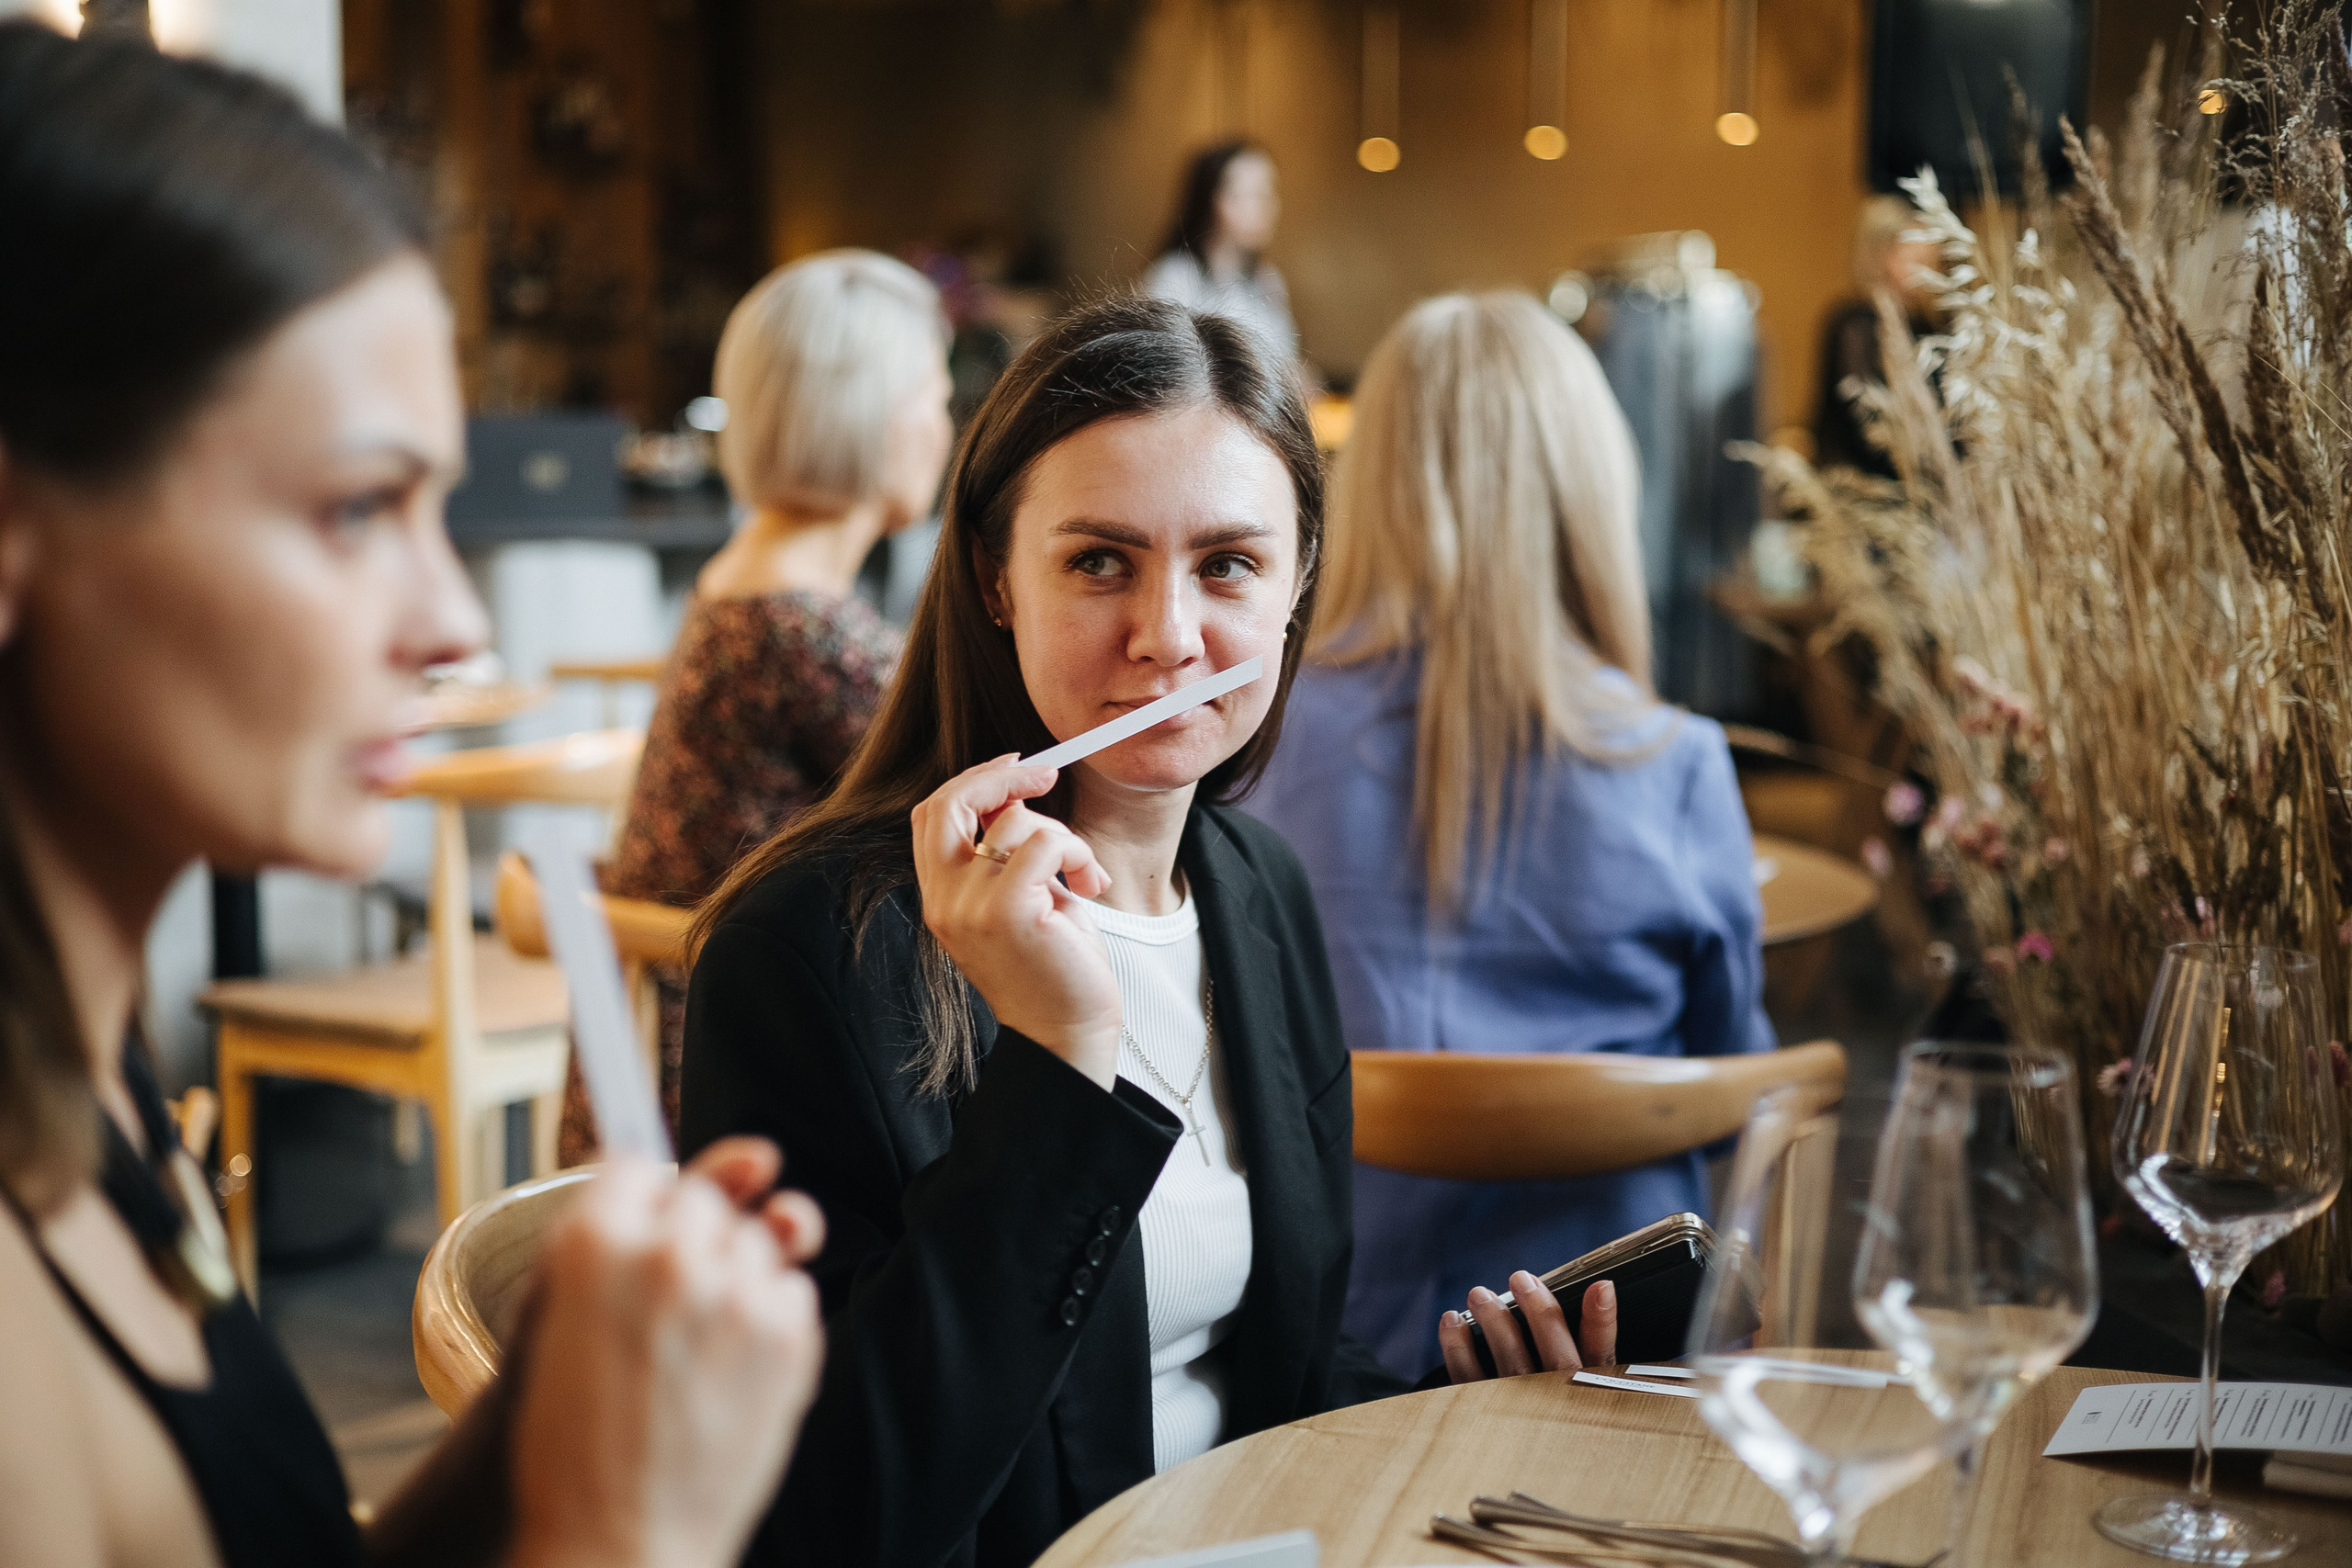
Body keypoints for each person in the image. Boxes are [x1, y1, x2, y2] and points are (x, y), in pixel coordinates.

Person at [0, 23, 826, 1568]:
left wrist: (542, 1431)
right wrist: (617, 1530)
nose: (455, 621)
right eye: (358, 507)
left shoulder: (77, 1063)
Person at [682, 295, 1618, 1568]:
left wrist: (1457, 1399)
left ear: (1296, 591)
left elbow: (1268, 1368)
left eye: (1229, 563)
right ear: (993, 580)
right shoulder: (811, 947)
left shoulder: (1255, 890)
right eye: (1100, 560)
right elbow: (836, 1515)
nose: (1169, 635)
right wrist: (1060, 1051)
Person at [1247, 291, 1774, 1379]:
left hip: (1325, 1353)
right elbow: (1737, 1104)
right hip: (1623, 1355)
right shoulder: (1676, 763)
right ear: (1591, 492)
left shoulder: (1248, 746)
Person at [558, 251, 953, 1164]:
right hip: (716, 1083)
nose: (944, 429)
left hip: (660, 1036)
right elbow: (970, 788)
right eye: (933, 399)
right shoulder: (798, 624)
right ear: (877, 416)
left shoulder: (746, 582)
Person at [1811, 194, 1941, 477]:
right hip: (1867, 494)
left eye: (1928, 260)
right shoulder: (1854, 325)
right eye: (1914, 259)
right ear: (1880, 255)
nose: (1925, 271)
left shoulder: (1924, 327)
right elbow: (1868, 423)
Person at [1141, 141, 1299, 365]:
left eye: (1270, 193)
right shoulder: (1175, 277)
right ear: (1217, 202)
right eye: (1255, 195)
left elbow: (1288, 361)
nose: (1270, 207)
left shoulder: (1268, 280)